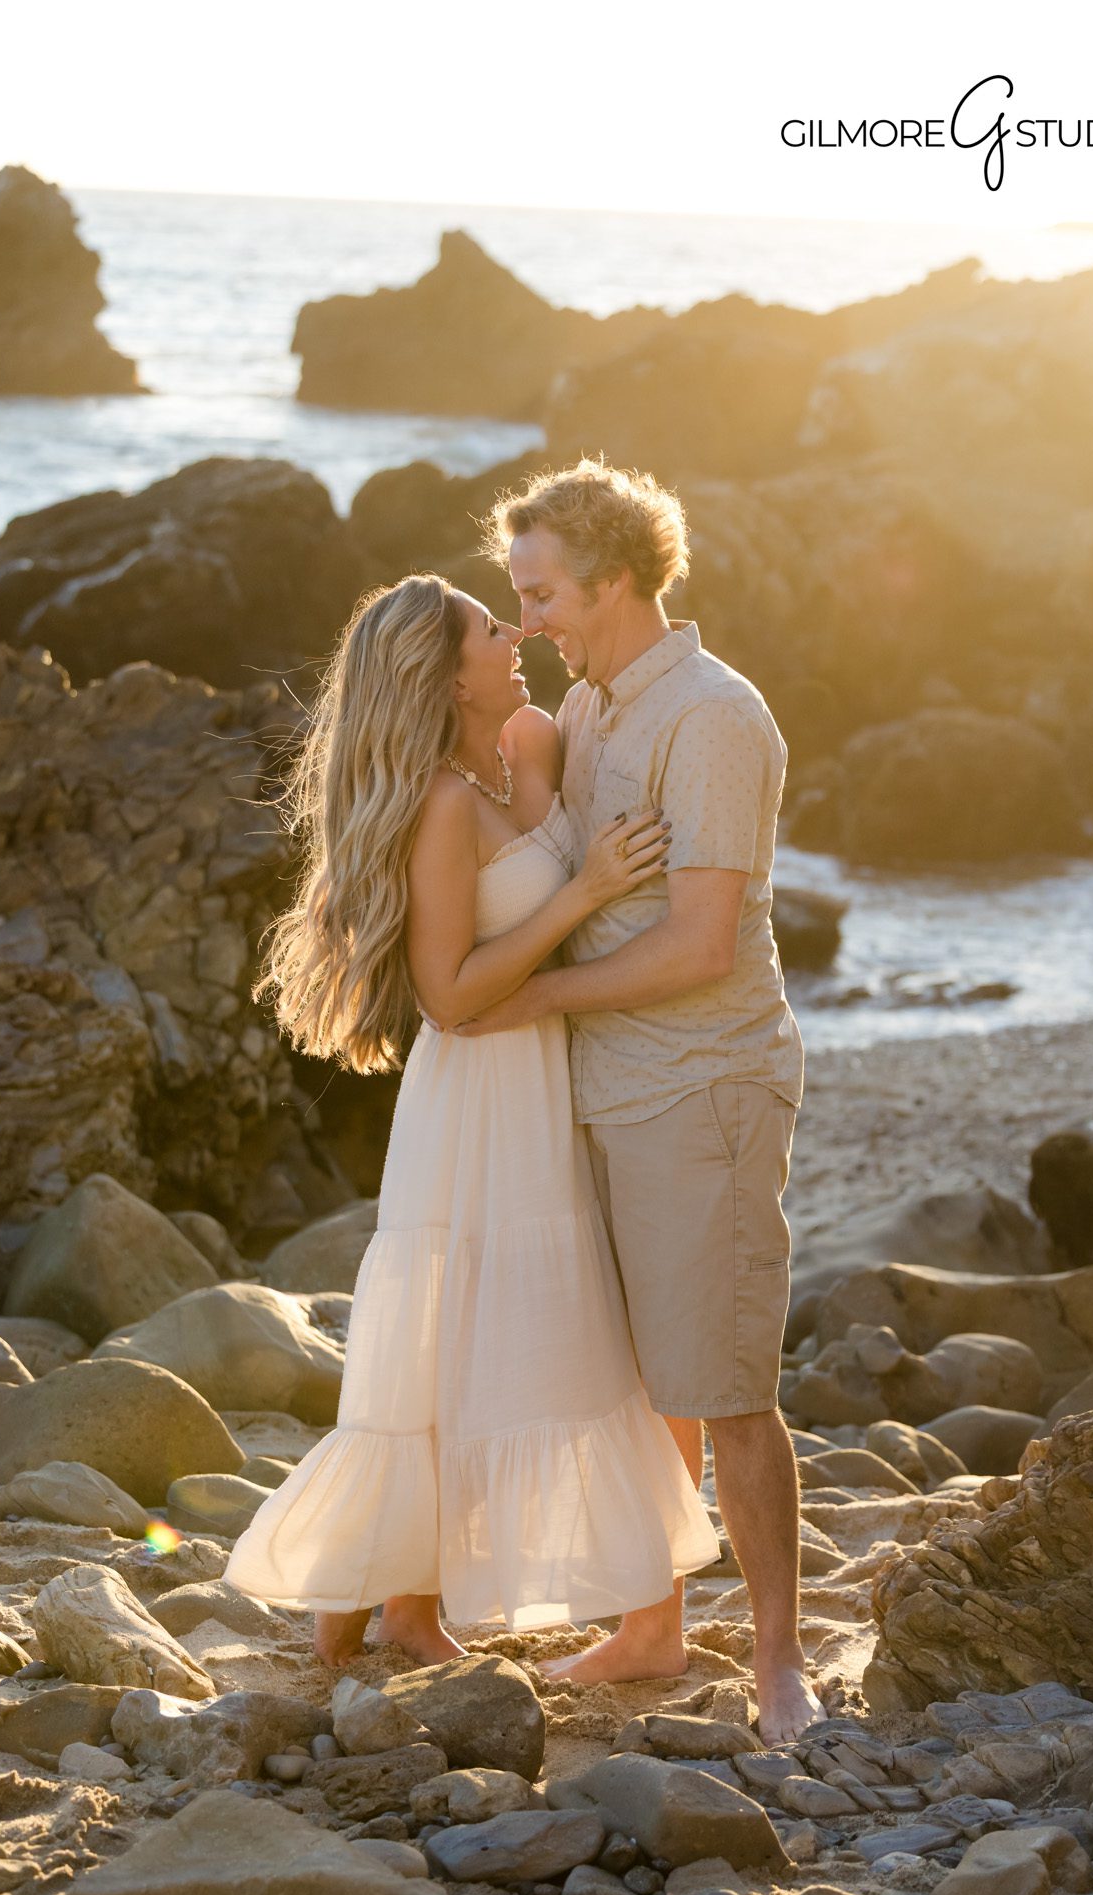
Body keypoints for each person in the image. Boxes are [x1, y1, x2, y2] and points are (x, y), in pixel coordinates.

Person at [222, 572, 718, 1665]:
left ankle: (366, 1605)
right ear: (448, 672)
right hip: (480, 1084)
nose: (518, 635)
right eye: (496, 629)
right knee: (452, 1344)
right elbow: (447, 993)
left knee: (515, 1337)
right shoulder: (442, 805)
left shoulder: (531, 743)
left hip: (551, 1071)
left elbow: (611, 740)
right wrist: (583, 893)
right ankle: (401, 1605)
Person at [461, 459, 822, 1744]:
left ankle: (781, 1656)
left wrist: (541, 998)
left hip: (703, 1083)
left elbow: (700, 945)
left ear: (615, 577)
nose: (531, 616)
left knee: (724, 1375)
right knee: (642, 1380)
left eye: (542, 590)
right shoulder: (595, 707)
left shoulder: (713, 718)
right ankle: (654, 1620)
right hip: (609, 1087)